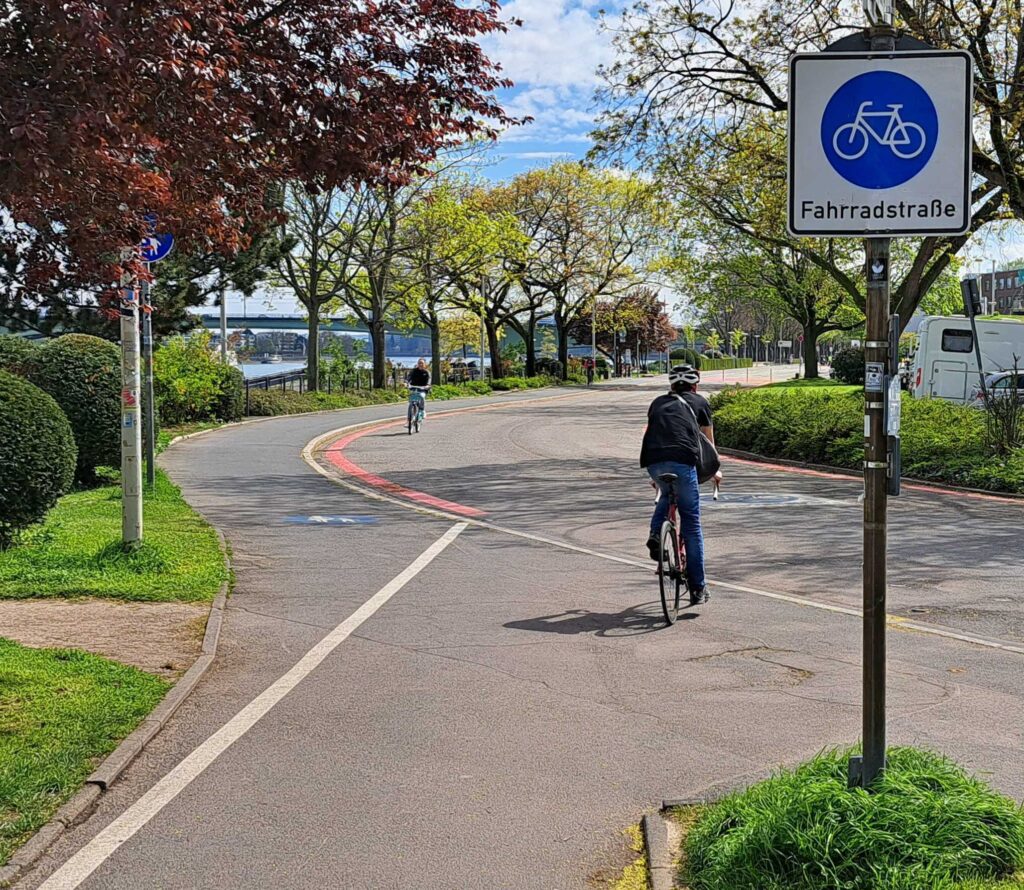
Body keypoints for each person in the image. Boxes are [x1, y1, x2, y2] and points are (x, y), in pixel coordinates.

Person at [639, 365, 715, 605]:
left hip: (653, 460)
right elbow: (709, 445)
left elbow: (654, 433)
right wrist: (716, 471)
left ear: (671, 385)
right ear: (695, 385)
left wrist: (656, 475)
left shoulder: (657, 403)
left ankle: (655, 534)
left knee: (665, 493)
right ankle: (698, 587)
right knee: (691, 523)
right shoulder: (701, 403)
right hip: (683, 461)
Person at [405, 358, 431, 423]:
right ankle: (409, 420)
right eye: (419, 363)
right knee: (411, 403)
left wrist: (427, 385)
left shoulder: (427, 372)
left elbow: (429, 380)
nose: (420, 364)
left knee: (421, 396)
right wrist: (406, 383)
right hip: (413, 388)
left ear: (425, 364)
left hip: (422, 389)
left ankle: (422, 410)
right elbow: (408, 378)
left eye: (422, 363)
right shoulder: (413, 371)